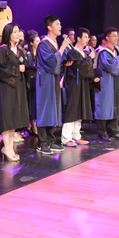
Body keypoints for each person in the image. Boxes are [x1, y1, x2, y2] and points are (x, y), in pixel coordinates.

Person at [0, 23, 33, 159]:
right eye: (15, 32)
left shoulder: (20, 51)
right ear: (8, 34)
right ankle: (7, 148)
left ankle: (9, 147)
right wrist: (17, 69)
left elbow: (25, 67)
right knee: (7, 118)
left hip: (18, 88)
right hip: (6, 88)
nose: (18, 34)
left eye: (18, 31)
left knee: (13, 119)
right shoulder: (1, 51)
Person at [37, 16, 73, 148]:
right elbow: (51, 63)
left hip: (53, 80)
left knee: (52, 109)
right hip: (45, 80)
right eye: (57, 24)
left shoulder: (54, 44)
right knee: (44, 109)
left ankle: (50, 140)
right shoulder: (44, 44)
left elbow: (57, 63)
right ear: (49, 27)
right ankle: (42, 143)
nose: (60, 26)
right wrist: (63, 47)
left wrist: (64, 63)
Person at [63, 28, 95, 147]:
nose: (87, 39)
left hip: (83, 83)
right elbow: (79, 68)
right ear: (78, 38)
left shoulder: (84, 53)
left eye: (88, 37)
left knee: (81, 109)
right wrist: (89, 58)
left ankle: (76, 135)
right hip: (74, 83)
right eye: (85, 37)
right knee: (72, 109)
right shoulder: (72, 52)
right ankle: (66, 137)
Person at [95, 29, 119, 140]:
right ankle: (102, 132)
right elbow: (110, 66)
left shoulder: (115, 50)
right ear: (107, 38)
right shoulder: (104, 52)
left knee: (114, 105)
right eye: (113, 36)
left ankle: (113, 130)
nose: (116, 38)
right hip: (106, 82)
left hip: (114, 82)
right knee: (104, 106)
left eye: (117, 36)